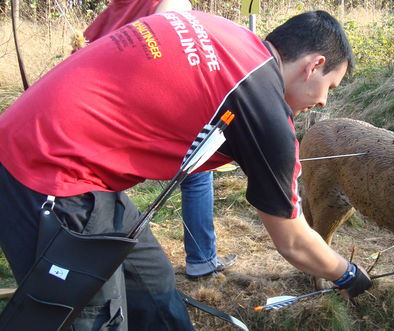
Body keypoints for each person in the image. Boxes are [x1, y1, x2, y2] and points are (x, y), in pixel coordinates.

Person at [0, 9, 371, 330]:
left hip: (65, 155)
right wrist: (348, 274)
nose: (323, 100)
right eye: (330, 86)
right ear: (314, 65)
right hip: (46, 173)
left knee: (154, 288)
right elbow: (293, 241)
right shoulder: (263, 108)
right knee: (92, 314)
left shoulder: (223, 32)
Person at [83, 0, 238, 279]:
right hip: (136, 109)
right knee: (197, 171)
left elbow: (88, 49)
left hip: (101, 109)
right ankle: (201, 258)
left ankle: (99, 257)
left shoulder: (122, 5)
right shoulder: (171, 3)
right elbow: (170, 56)